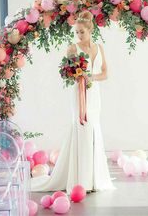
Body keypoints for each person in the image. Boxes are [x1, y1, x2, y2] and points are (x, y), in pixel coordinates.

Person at [31, 11, 116, 195]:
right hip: (78, 94)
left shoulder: (99, 48)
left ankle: (93, 179)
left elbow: (105, 73)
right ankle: (80, 180)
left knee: (93, 129)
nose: (78, 35)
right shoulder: (72, 48)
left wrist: (90, 77)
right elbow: (66, 73)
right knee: (81, 127)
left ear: (90, 30)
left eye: (81, 32)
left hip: (94, 95)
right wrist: (77, 76)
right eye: (76, 32)